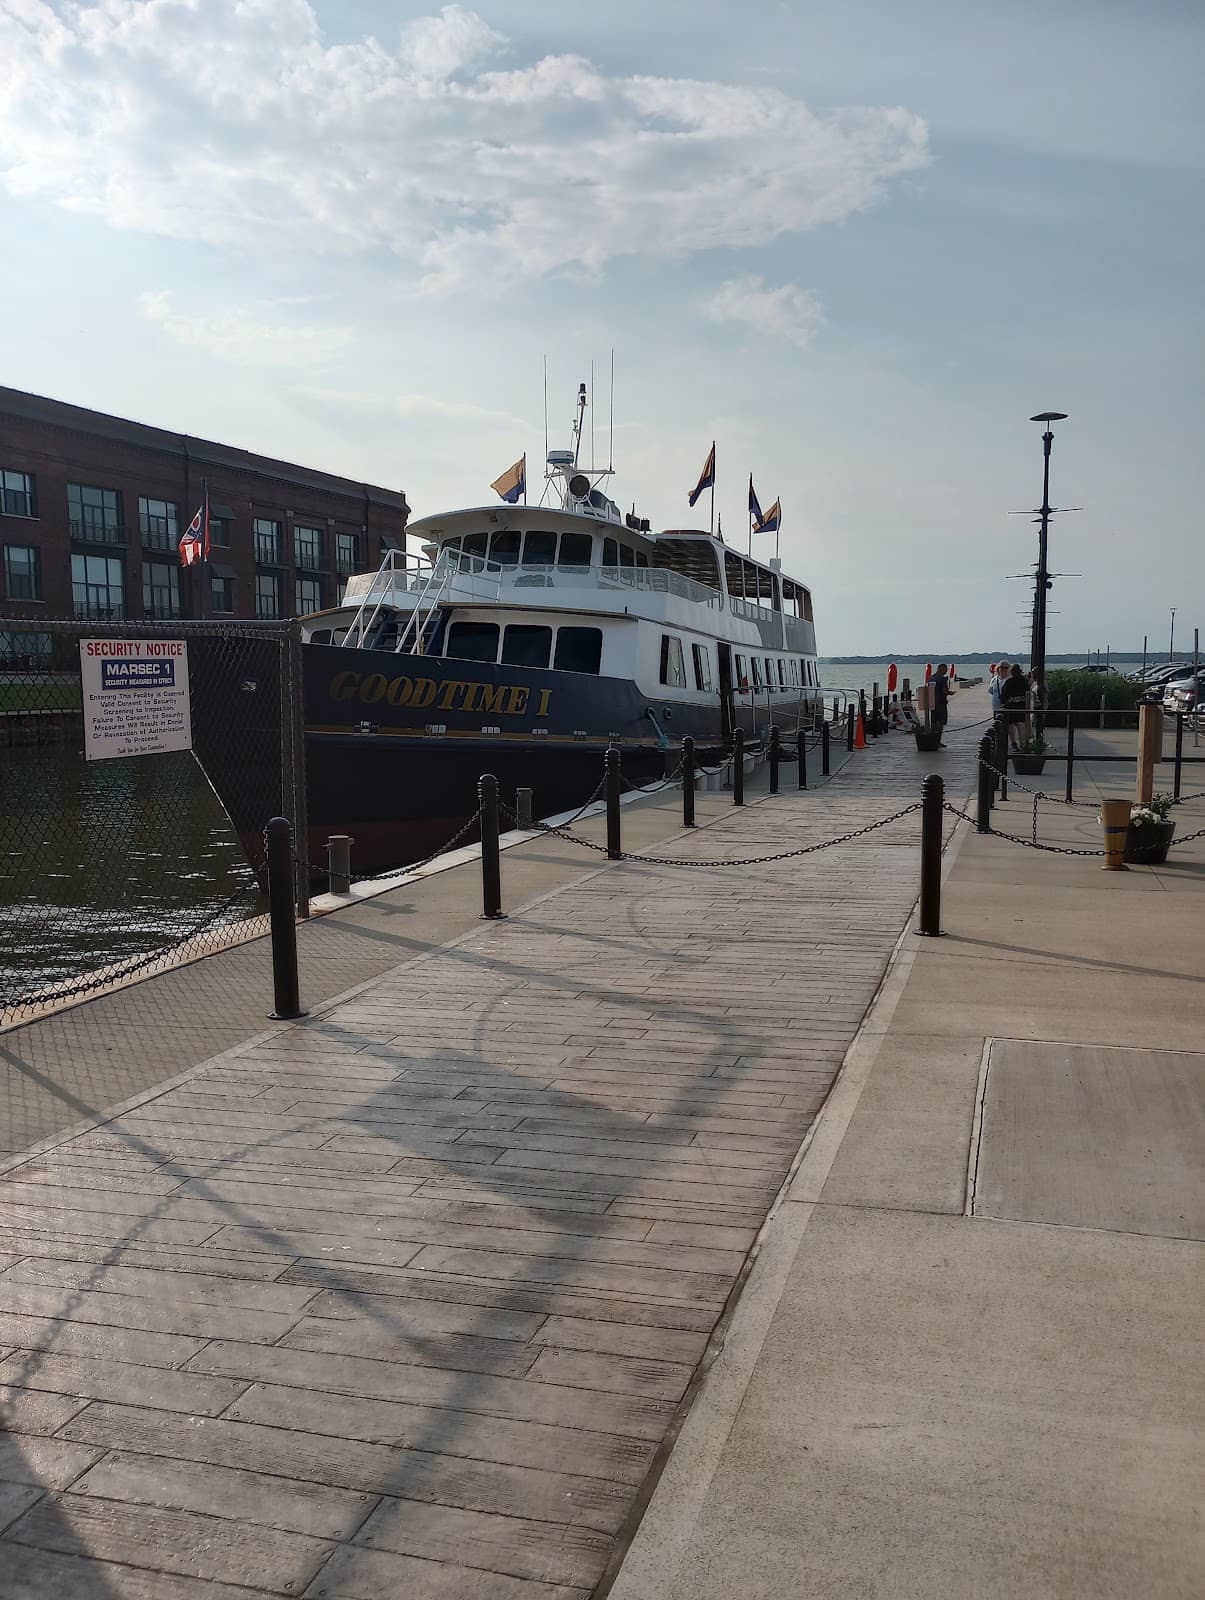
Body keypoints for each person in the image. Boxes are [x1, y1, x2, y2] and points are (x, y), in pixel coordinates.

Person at [999, 662, 1029, 749]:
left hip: (1010, 706)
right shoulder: (1024, 681)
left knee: (1010, 724)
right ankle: (1023, 743)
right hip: (1021, 706)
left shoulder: (1009, 681)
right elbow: (1028, 692)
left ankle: (1013, 742)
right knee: (1021, 724)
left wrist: (1003, 703)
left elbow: (1004, 694)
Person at [932, 662, 949, 745]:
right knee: (940, 723)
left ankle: (932, 739)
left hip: (932, 703)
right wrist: (950, 693)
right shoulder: (942, 679)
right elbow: (944, 691)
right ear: (941, 669)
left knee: (934, 722)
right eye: (945, 670)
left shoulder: (931, 678)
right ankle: (937, 741)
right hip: (941, 703)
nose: (946, 672)